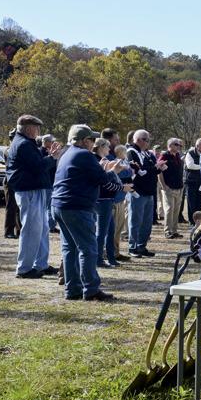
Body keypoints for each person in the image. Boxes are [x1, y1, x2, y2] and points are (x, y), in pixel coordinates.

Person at [52, 124, 131, 301]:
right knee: (88, 248)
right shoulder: (84, 155)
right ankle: (91, 289)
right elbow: (103, 180)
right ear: (84, 141)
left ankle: (72, 289)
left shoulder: (66, 154)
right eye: (91, 139)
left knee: (70, 248)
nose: (93, 143)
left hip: (59, 205)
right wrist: (112, 172)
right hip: (76, 206)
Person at [7, 115, 63, 279]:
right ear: (29, 128)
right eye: (36, 127)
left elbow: (36, 165)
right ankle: (24, 268)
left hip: (34, 190)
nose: (38, 130)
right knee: (32, 230)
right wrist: (52, 158)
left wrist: (49, 157)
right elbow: (38, 167)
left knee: (42, 228)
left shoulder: (25, 143)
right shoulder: (24, 144)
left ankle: (40, 264)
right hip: (29, 191)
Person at [127, 129, 167, 258]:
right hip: (138, 191)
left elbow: (151, 170)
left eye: (149, 140)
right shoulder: (131, 152)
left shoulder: (147, 153)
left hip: (149, 191)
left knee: (147, 222)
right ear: (138, 139)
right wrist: (155, 167)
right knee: (135, 221)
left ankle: (141, 246)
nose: (148, 142)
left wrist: (159, 168)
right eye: (145, 139)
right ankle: (133, 247)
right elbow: (139, 170)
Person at [92, 138, 127, 268]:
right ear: (101, 147)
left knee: (110, 230)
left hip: (107, 199)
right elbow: (104, 182)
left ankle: (111, 258)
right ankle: (98, 259)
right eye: (107, 146)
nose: (109, 149)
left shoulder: (103, 160)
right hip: (102, 200)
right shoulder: (96, 160)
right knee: (101, 232)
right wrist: (122, 188)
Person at [158, 138, 185, 239]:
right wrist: (164, 186)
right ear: (170, 145)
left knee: (176, 210)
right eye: (176, 144)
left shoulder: (177, 155)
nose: (179, 146)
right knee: (169, 209)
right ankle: (167, 231)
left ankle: (174, 231)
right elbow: (159, 172)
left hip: (179, 187)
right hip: (169, 188)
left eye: (179, 145)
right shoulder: (164, 156)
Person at [110, 144, 133, 261]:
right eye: (124, 152)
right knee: (114, 228)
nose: (126, 154)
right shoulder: (116, 162)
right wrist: (128, 170)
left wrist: (129, 169)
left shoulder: (125, 162)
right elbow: (125, 173)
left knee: (119, 228)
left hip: (121, 198)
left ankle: (116, 251)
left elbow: (130, 172)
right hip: (115, 198)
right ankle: (112, 252)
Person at [3, 128, 21, 239]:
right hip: (10, 181)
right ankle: (8, 231)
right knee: (11, 207)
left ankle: (19, 230)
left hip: (15, 180)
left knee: (17, 207)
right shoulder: (10, 150)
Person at [184, 138, 201, 225]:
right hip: (191, 182)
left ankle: (198, 221)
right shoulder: (190, 153)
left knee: (199, 202)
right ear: (197, 146)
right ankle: (192, 221)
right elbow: (190, 165)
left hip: (200, 182)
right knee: (191, 203)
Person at [39, 134, 58, 233]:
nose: (53, 143)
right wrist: (50, 157)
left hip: (52, 182)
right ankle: (49, 225)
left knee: (50, 205)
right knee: (47, 206)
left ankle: (51, 225)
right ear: (45, 142)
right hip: (46, 183)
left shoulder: (50, 152)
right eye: (51, 141)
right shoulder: (40, 152)